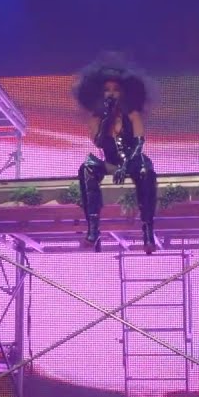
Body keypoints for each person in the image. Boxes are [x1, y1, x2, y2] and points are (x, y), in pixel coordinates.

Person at [71, 56, 158, 254]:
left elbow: (139, 143)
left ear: (123, 93)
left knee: (146, 170)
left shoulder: (133, 114)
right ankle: (93, 229)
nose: (111, 93)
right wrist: (107, 118)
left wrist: (126, 166)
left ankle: (148, 232)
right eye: (107, 90)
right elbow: (99, 142)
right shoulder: (96, 118)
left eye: (116, 89)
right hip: (109, 163)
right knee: (86, 168)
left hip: (133, 162)